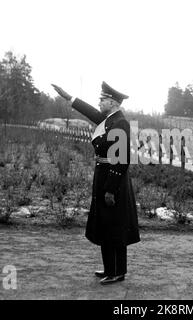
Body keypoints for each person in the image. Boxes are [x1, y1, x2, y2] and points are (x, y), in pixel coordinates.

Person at [52, 82, 140, 284]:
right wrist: (69, 97)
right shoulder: (109, 120)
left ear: (112, 102)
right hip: (105, 176)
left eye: (102, 99)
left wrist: (110, 189)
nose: (99, 102)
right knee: (107, 224)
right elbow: (90, 112)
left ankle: (117, 272)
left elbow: (122, 159)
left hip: (113, 180)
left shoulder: (120, 123)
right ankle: (112, 269)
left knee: (113, 225)